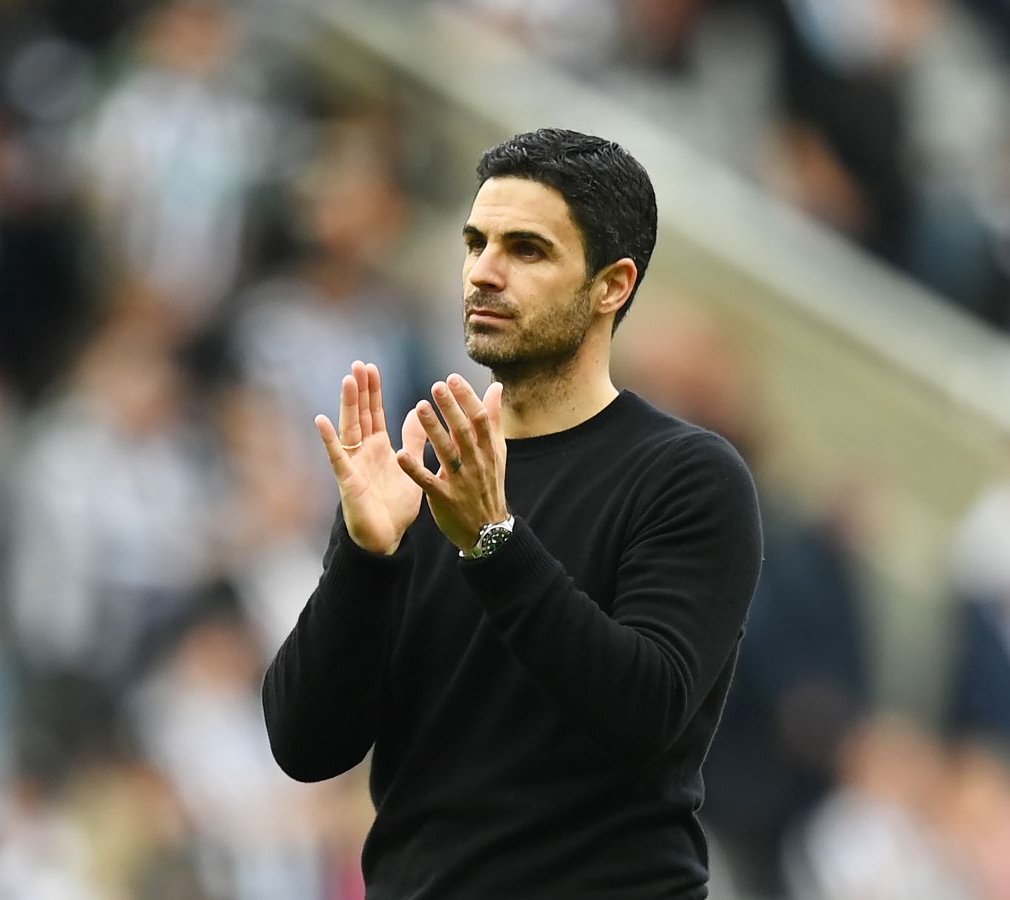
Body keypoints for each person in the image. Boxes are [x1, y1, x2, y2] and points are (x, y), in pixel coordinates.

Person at [262, 127, 763, 898]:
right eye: (476, 243)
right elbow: (305, 745)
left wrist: (495, 543)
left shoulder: (686, 476)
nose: (484, 273)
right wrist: (365, 557)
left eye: (527, 250)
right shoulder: (423, 473)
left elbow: (644, 714)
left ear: (611, 286)